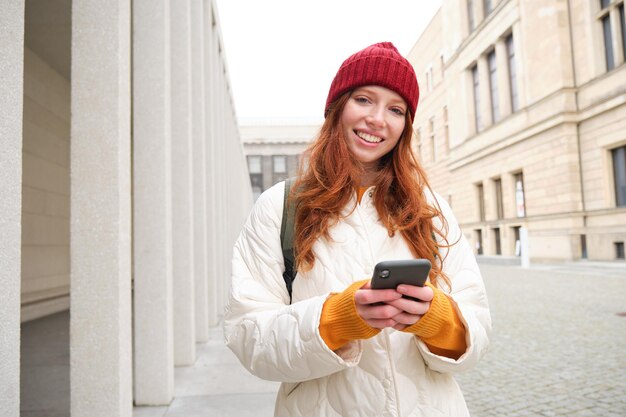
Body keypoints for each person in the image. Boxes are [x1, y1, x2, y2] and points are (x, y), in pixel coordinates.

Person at [224, 42, 491, 417]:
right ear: (337, 109)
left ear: (405, 126)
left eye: (395, 109)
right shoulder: (279, 207)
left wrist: (439, 321)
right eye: (364, 100)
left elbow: (477, 329)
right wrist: (338, 319)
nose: (378, 119)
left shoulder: (432, 210)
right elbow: (247, 336)